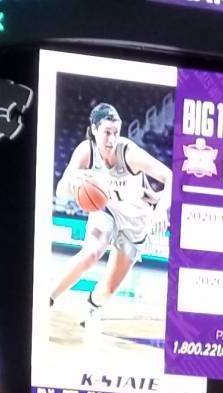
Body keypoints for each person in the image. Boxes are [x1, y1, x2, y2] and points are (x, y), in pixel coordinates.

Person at [48, 100, 173, 330]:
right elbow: (60, 190)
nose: (112, 139)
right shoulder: (86, 151)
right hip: (107, 211)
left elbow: (170, 176)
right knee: (91, 253)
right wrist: (73, 180)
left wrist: (160, 209)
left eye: (116, 132)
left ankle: (93, 307)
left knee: (108, 289)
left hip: (136, 223)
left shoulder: (128, 152)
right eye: (107, 132)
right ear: (94, 129)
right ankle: (47, 298)